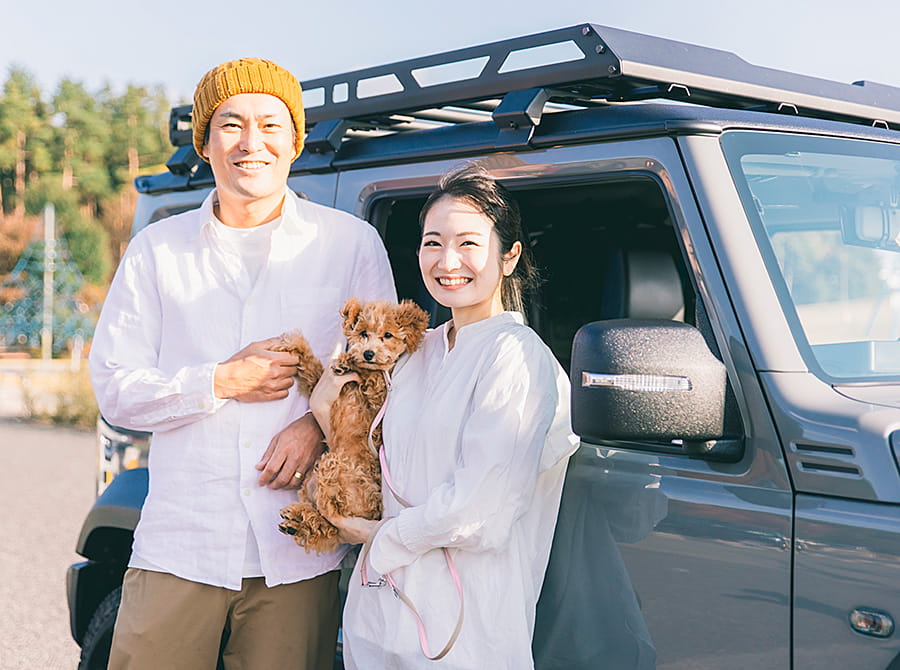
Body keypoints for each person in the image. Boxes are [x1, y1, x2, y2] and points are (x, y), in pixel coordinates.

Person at [89, 58, 395, 669]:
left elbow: (385, 372)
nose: (251, 142)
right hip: (180, 544)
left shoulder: (349, 242)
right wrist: (219, 380)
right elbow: (115, 388)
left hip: (298, 551)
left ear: (294, 142)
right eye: (231, 124)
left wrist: (317, 427)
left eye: (271, 125)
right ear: (205, 143)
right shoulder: (158, 250)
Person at [312, 165, 578, 669]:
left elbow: (480, 510)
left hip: (463, 633)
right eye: (432, 243)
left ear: (509, 256)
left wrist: (375, 535)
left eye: (468, 244)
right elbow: (374, 458)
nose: (447, 261)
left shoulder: (516, 356)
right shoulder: (414, 353)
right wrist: (325, 408)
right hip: (378, 618)